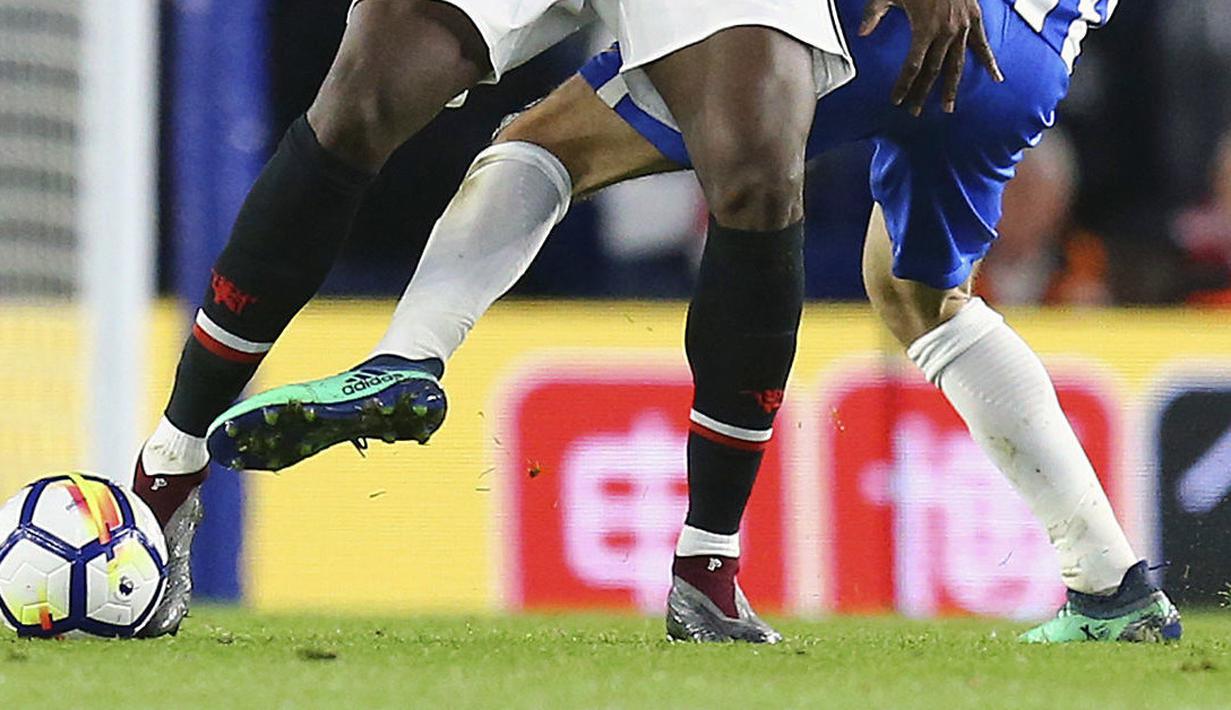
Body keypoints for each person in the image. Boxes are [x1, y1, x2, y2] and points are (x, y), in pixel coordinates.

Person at [210, 0, 1181, 644]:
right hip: (1030, 58)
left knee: (544, 140)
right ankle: (1110, 581)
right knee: (918, 295)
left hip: (921, 16)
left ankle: (407, 354)